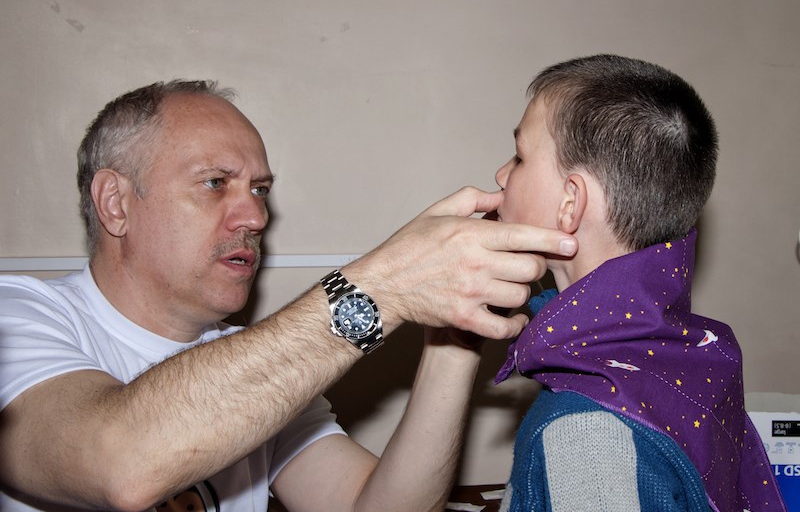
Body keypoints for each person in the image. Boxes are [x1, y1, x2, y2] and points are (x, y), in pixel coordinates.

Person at [0, 80, 578, 511]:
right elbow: (121, 465)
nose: (255, 216)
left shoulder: (258, 367)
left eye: (259, 189)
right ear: (115, 203)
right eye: (215, 183)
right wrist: (382, 288)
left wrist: (453, 336)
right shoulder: (19, 317)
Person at [492, 55, 787, 512]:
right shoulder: (689, 358)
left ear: (570, 203)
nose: (501, 175)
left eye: (519, 157)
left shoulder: (585, 432)